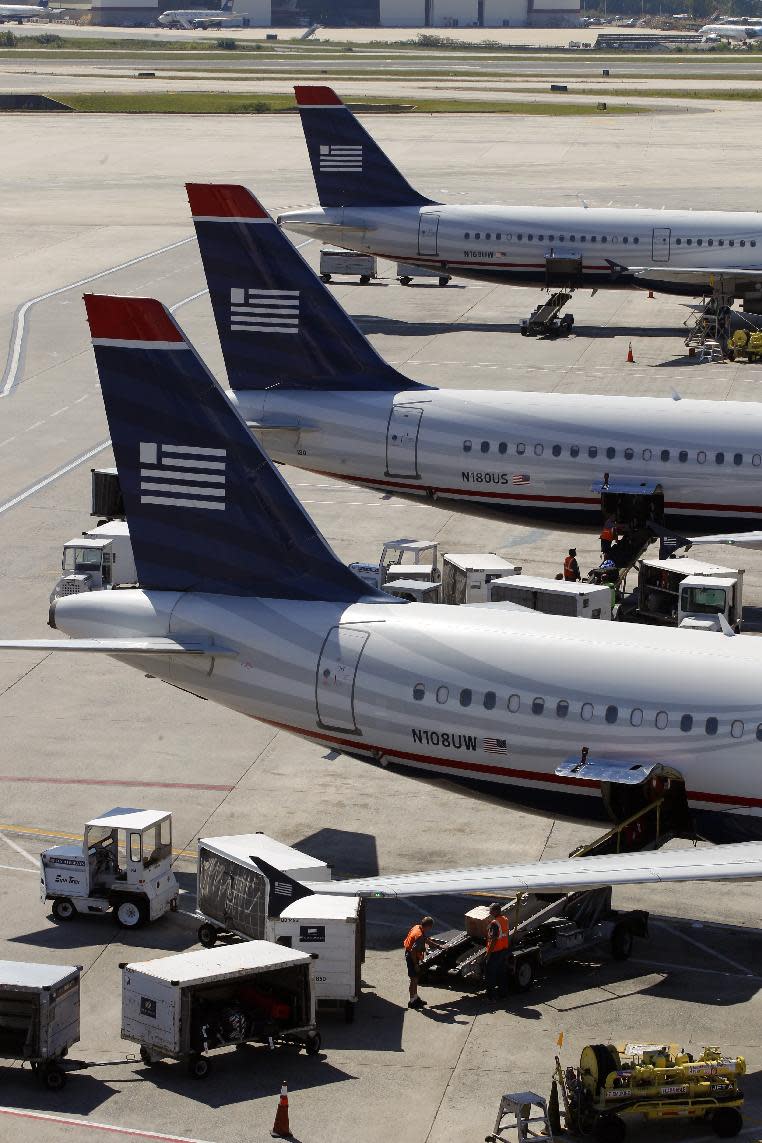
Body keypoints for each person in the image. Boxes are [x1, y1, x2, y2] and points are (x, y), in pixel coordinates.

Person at [404, 916, 443, 1009]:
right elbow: (413, 951)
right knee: (413, 979)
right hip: (412, 957)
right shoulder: (419, 935)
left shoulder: (417, 927)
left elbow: (426, 939)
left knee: (415, 978)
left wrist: (437, 946)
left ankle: (415, 998)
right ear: (428, 926)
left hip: (410, 955)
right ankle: (412, 1002)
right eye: (431, 927)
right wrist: (416, 964)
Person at [484, 902, 510, 1004]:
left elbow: (494, 939)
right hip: (503, 949)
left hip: (495, 951)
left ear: (496, 910)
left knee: (490, 974)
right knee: (501, 972)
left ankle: (491, 997)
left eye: (491, 910)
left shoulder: (495, 923)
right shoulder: (505, 919)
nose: (490, 912)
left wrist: (488, 953)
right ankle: (503, 994)